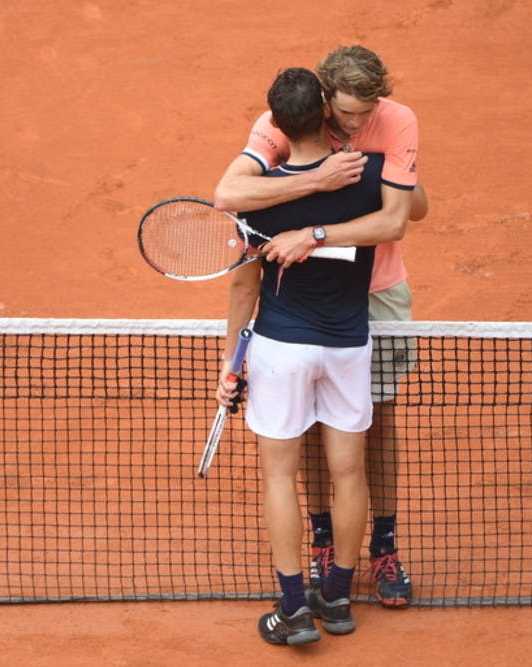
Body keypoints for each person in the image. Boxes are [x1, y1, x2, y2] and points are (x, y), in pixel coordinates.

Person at [214, 45, 425, 607]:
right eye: (348, 114)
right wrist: (318, 182)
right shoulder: (284, 121)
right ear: (324, 98)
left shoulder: (398, 122)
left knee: (377, 423)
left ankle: (383, 545)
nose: (358, 124)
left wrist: (315, 234)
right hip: (327, 321)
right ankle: (326, 539)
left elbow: (404, 216)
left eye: (367, 112)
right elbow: (229, 194)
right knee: (311, 430)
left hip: (377, 296)